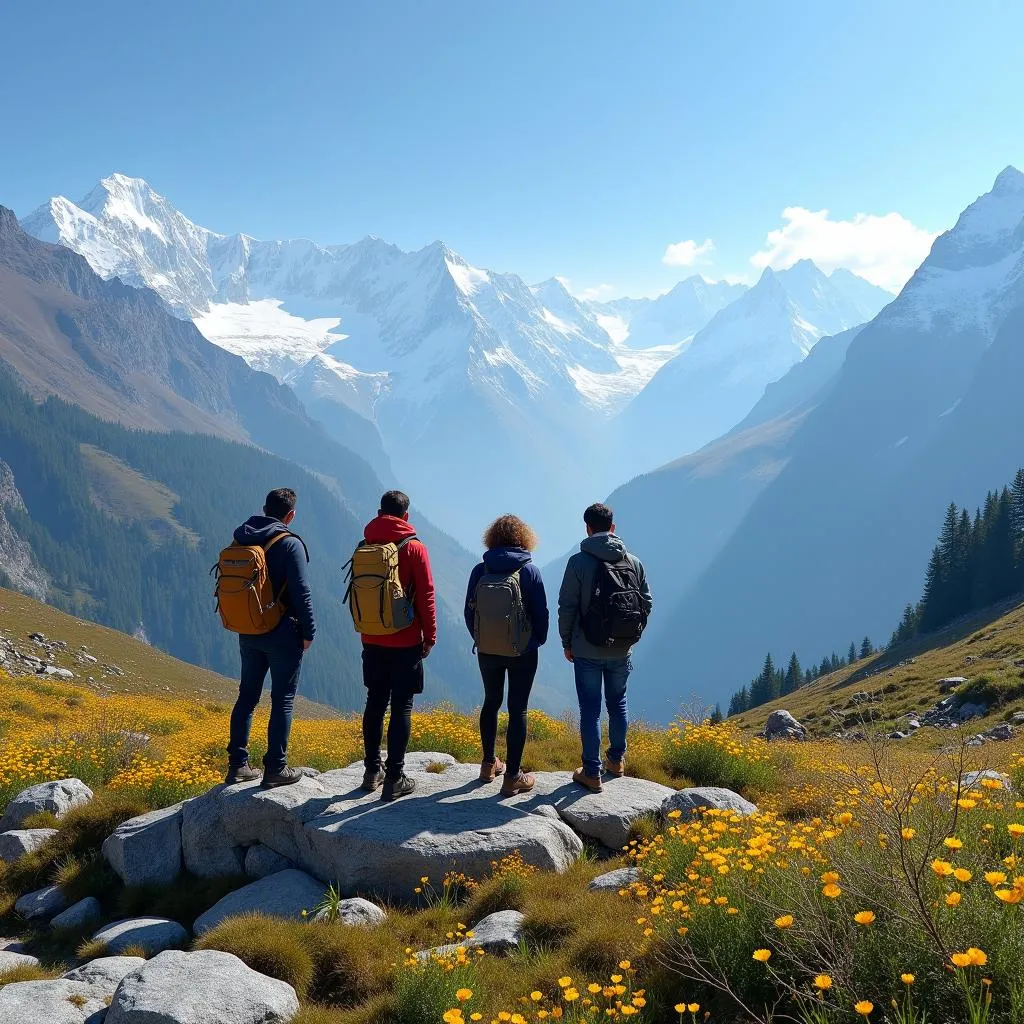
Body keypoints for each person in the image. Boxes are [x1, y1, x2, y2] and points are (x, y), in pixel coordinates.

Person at [558, 502, 652, 793]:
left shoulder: (578, 563)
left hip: (586, 649)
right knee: (618, 704)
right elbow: (646, 603)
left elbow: (567, 607)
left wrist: (567, 641)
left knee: (590, 709)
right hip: (622, 650)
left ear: (587, 528)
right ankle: (616, 761)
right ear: (613, 528)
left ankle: (591, 772)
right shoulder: (633, 562)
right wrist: (631, 634)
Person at [226, 487, 315, 788]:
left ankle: (238, 765)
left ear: (264, 509)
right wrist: (308, 632)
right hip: (282, 633)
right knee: (283, 700)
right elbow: (302, 593)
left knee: (247, 697)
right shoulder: (289, 543)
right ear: (290, 515)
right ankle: (276, 768)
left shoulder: (241, 539)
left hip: (248, 630)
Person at [359, 490, 437, 802]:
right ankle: (395, 777)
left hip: (372, 637)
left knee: (375, 702)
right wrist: (429, 636)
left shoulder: (365, 544)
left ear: (379, 512)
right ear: (406, 516)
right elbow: (426, 596)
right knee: (402, 705)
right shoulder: (414, 548)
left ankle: (371, 771)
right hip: (405, 640)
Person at [465, 515, 549, 797]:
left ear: (492, 538)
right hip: (522, 650)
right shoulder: (530, 571)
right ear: (523, 539)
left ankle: (489, 764)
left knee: (491, 701)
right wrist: (534, 641)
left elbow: (469, 612)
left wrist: (482, 639)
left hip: (488, 649)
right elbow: (541, 614)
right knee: (518, 708)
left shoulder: (480, 570)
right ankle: (512, 776)